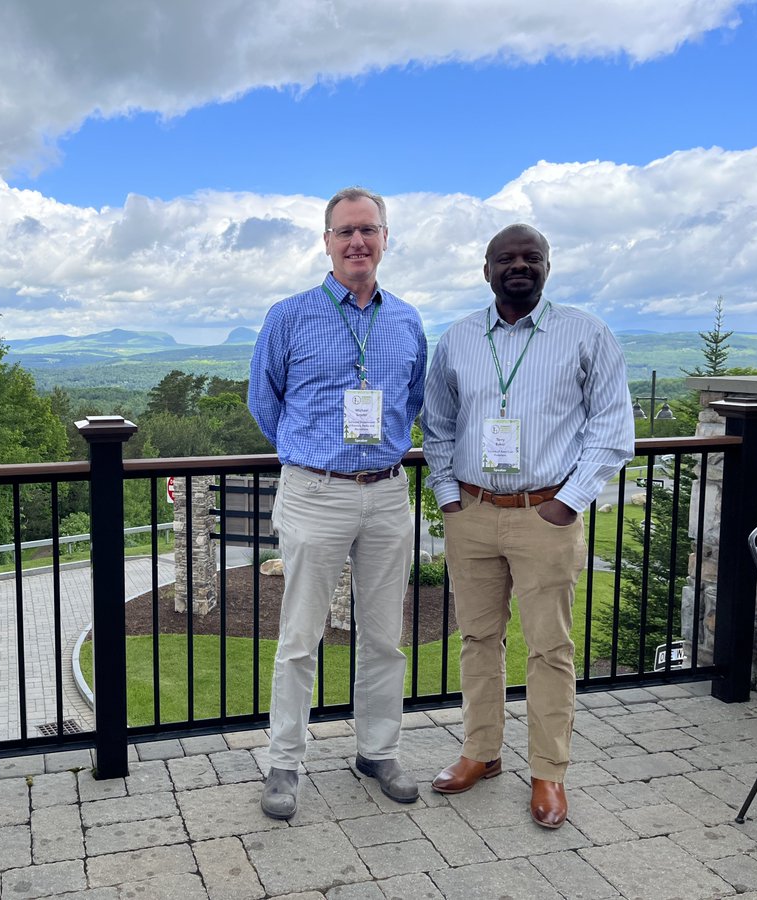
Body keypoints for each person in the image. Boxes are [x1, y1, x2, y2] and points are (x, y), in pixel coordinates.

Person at [421, 224, 634, 828]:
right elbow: (437, 425)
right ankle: (480, 752)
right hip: (473, 513)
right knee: (477, 641)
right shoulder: (459, 340)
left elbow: (612, 429)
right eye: (506, 258)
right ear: (485, 269)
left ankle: (549, 772)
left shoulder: (586, 333)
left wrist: (570, 502)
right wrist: (447, 497)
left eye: (531, 257)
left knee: (550, 650)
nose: (519, 266)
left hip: (547, 515)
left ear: (548, 266)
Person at [248, 186, 428, 819]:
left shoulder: (406, 320)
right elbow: (264, 400)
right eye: (346, 231)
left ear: (385, 240)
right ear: (326, 241)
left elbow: (413, 397)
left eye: (369, 230)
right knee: (300, 637)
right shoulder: (290, 315)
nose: (358, 241)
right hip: (315, 492)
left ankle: (377, 751)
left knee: (384, 636)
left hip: (385, 493)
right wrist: (310, 458)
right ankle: (285, 762)